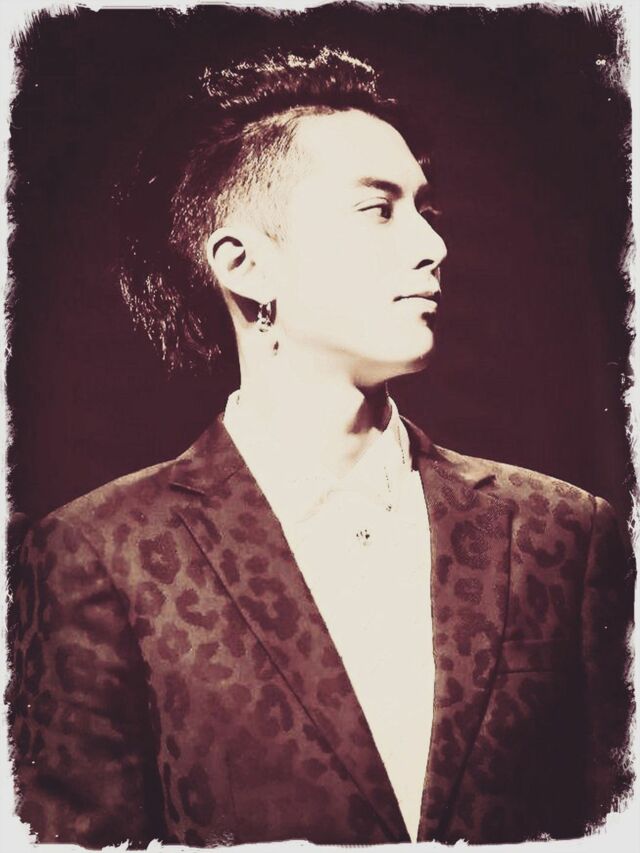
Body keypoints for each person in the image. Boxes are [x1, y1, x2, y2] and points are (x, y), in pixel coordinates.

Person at [7, 46, 633, 848]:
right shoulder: (98, 552)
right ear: (245, 265)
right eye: (378, 209)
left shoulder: (564, 530)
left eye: (424, 207)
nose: (433, 245)